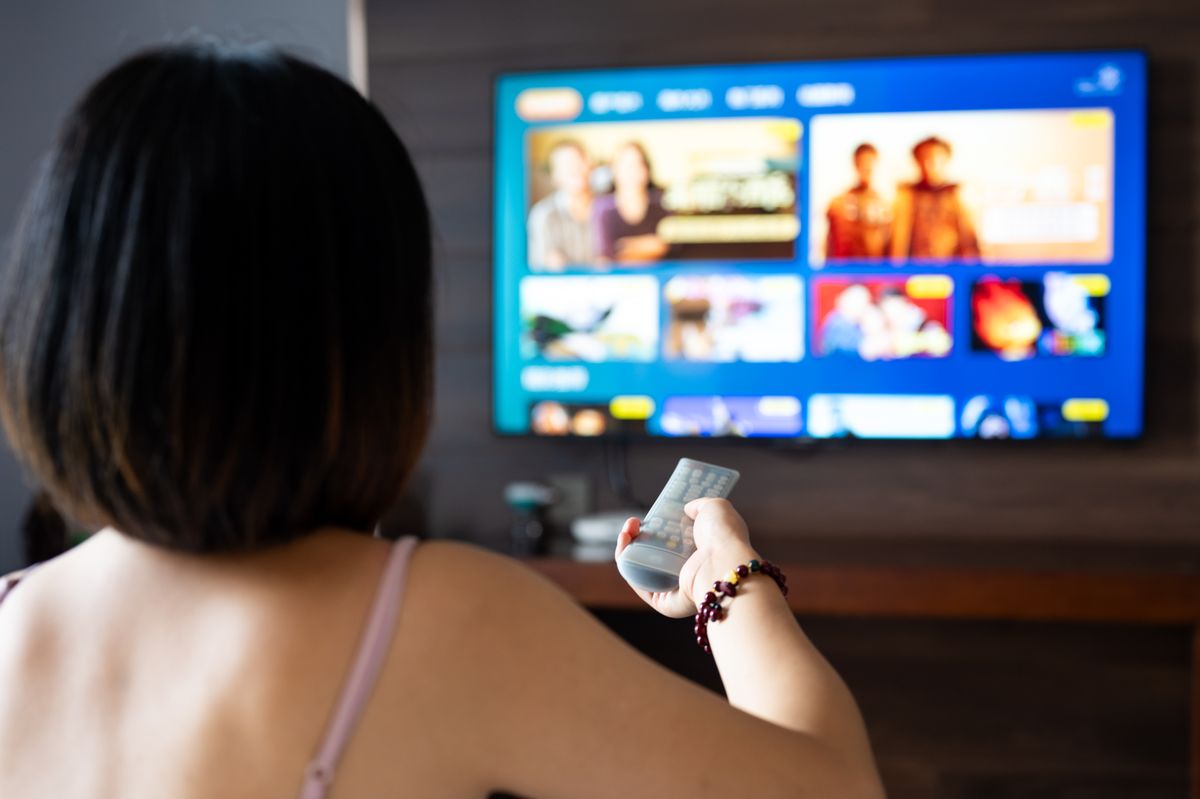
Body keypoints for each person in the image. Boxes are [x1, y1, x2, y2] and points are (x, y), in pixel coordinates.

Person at [0, 44, 883, 798]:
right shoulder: (444, 615)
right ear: (368, 334)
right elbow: (833, 786)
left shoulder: (12, 620)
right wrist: (732, 583)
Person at [889, 136, 980, 261]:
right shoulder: (907, 196)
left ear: (945, 160)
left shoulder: (955, 195)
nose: (928, 165)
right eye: (923, 158)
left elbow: (969, 240)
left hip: (949, 270)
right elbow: (898, 240)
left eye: (933, 159)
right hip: (916, 270)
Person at [592, 141, 671, 265]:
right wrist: (650, 245)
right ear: (614, 170)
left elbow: (670, 247)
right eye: (626, 165)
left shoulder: (662, 205)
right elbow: (605, 258)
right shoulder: (603, 209)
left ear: (646, 170)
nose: (632, 171)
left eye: (637, 164)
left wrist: (626, 246)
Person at [526, 140, 594, 270]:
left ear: (589, 165)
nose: (575, 169)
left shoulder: (607, 208)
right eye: (567, 166)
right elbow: (545, 268)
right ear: (555, 177)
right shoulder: (544, 214)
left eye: (579, 161)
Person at [825, 143, 891, 260]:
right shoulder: (838, 204)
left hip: (875, 272)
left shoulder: (886, 205)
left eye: (870, 162)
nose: (867, 167)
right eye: (862, 162)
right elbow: (830, 244)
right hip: (846, 271)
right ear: (855, 164)